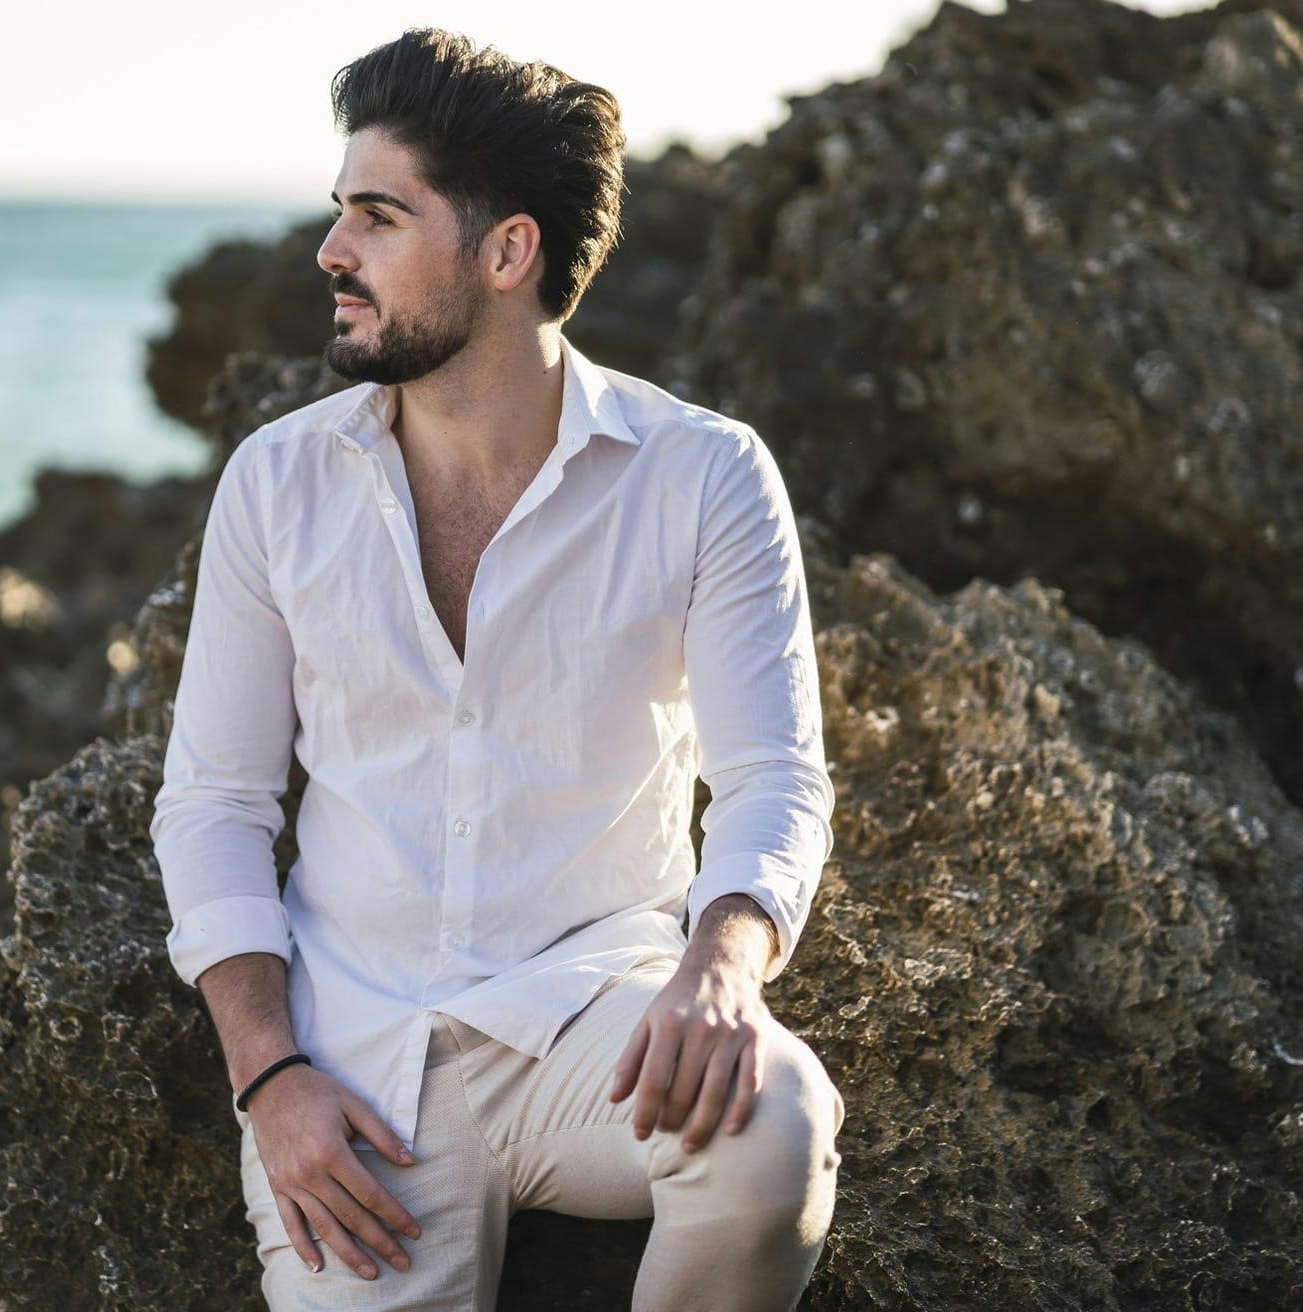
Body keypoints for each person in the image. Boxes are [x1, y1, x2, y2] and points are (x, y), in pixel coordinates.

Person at [149, 26, 845, 1312]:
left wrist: (722, 965)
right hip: (357, 1072)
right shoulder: (279, 483)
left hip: (591, 1021)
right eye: (337, 211)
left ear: (507, 251)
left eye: (377, 215)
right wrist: (270, 1080)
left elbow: (773, 777)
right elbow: (215, 808)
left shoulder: (702, 477)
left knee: (776, 1133)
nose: (331, 253)